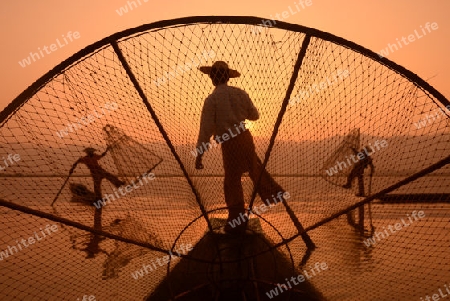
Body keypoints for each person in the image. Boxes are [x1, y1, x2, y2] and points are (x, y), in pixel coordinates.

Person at [195, 61, 309, 242]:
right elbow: (254, 116)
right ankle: (272, 195)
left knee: (232, 182)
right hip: (246, 138)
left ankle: (236, 223)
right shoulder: (240, 93)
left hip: (230, 143)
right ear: (227, 77)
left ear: (212, 78)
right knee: (254, 170)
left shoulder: (212, 100)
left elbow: (205, 131)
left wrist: (199, 156)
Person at [70, 147, 125, 232]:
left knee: (109, 176)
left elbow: (101, 156)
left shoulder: (95, 156)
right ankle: (98, 199)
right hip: (95, 174)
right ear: (87, 153)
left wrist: (106, 151)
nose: (91, 152)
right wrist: (72, 168)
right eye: (90, 152)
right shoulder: (85, 159)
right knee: (97, 187)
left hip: (100, 170)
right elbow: (77, 162)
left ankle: (119, 183)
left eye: (92, 151)